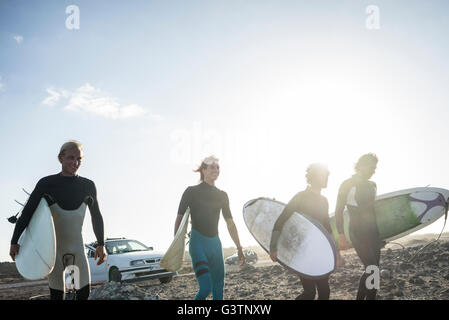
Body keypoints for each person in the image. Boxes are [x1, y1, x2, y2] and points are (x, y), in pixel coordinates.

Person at [9, 140, 106, 300]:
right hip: (54, 253)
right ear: (60, 158)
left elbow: (96, 216)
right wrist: (14, 241)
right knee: (57, 296)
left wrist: (101, 244)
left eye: (79, 159)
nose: (75, 162)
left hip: (77, 250)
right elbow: (27, 213)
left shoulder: (87, 185)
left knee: (82, 294)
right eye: (70, 158)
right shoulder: (47, 184)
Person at [174, 155, 245, 300]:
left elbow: (230, 223)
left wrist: (239, 247)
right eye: (212, 166)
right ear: (204, 170)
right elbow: (180, 219)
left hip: (215, 244)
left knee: (219, 288)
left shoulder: (222, 195)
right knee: (206, 288)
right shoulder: (191, 191)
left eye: (218, 167)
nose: (216, 169)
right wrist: (177, 247)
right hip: (197, 243)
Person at [269, 163, 342, 300]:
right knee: (309, 293)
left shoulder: (324, 200)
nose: (327, 178)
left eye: (327, 175)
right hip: (302, 252)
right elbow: (280, 221)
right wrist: (273, 247)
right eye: (323, 175)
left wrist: (336, 251)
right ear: (313, 177)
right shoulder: (300, 197)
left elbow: (327, 228)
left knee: (324, 291)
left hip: (320, 251)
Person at [335, 153, 381, 300]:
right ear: (361, 166)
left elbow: (372, 211)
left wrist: (381, 235)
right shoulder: (347, 184)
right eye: (371, 167)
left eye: (375, 168)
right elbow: (338, 211)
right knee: (373, 269)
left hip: (373, 233)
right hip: (357, 232)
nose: (374, 170)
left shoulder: (373, 185)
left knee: (372, 269)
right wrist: (341, 235)